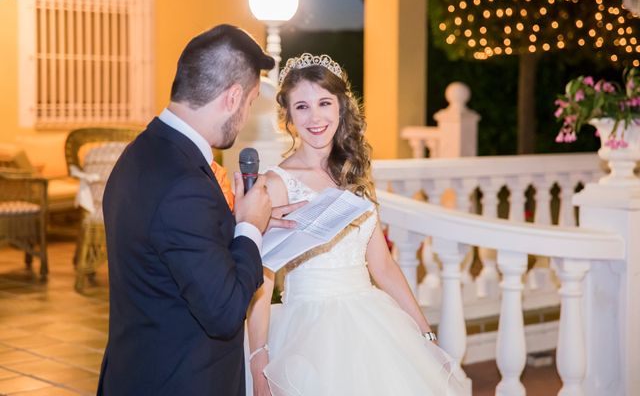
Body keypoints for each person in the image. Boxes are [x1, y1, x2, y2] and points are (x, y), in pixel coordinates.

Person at [246, 53, 467, 396]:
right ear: (287, 116)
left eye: (324, 102)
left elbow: (382, 264)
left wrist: (425, 335)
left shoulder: (354, 174)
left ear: (340, 108)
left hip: (372, 323)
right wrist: (259, 358)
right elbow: (262, 276)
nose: (315, 116)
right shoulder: (275, 184)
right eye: (302, 106)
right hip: (310, 332)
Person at [97, 24, 301, 396]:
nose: (246, 113)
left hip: (137, 371)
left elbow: (177, 256)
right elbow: (224, 312)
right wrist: (250, 229)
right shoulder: (184, 183)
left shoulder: (143, 152)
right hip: (180, 380)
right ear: (232, 97)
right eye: (251, 102)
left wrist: (240, 226)